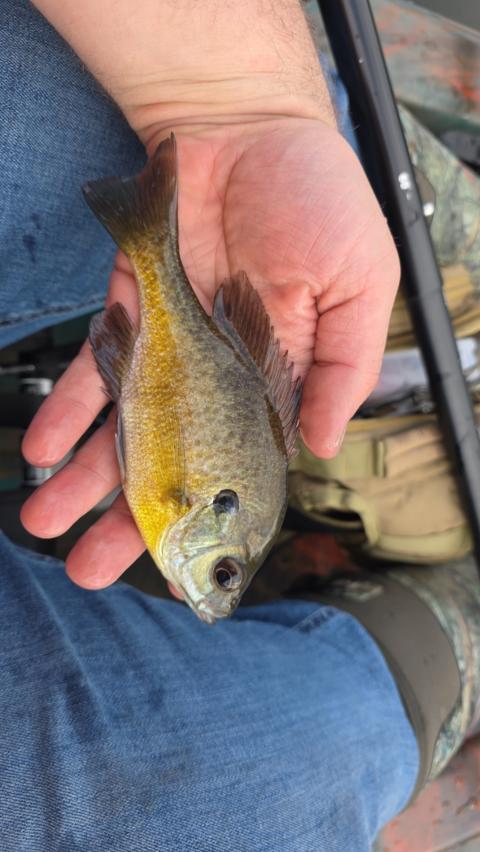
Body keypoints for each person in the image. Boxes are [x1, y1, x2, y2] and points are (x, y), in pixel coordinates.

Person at [1, 1, 478, 850]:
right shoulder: (186, 506)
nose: (211, 589)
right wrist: (248, 108)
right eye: (224, 573)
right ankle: (443, 641)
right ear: (213, 524)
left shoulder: (194, 509)